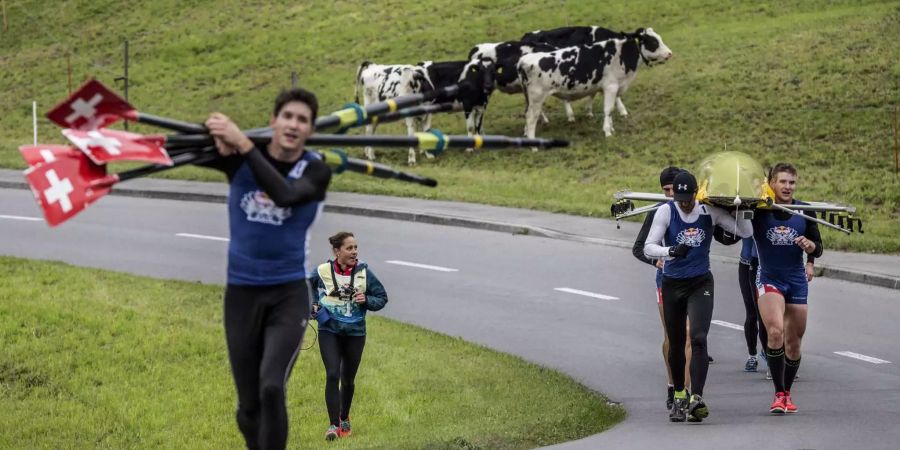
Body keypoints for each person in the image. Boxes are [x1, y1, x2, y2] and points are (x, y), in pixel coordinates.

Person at [201, 88, 332, 450]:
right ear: (273, 121)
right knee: (248, 410)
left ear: (310, 130)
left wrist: (242, 144)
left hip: (287, 295)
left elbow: (286, 195)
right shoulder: (241, 157)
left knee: (272, 387)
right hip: (241, 295)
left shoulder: (317, 170)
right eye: (287, 116)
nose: (293, 124)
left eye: (302, 120)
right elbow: (187, 148)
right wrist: (216, 135)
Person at [644, 171, 752, 423]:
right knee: (677, 340)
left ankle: (697, 397)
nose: (682, 202)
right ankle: (679, 394)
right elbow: (649, 246)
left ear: (696, 193)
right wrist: (670, 251)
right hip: (672, 283)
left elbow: (744, 232)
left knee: (699, 337)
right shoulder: (666, 212)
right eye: (678, 197)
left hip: (700, 281)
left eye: (687, 197)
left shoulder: (708, 212)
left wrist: (741, 209)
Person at [752, 163, 822, 414]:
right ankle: (778, 393)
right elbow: (731, 229)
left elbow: (818, 247)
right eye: (782, 182)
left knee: (794, 343)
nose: (787, 187)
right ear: (771, 183)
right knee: (775, 332)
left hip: (796, 279)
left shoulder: (804, 210)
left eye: (792, 182)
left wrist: (809, 247)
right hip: (769, 277)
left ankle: (787, 394)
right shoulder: (759, 209)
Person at [313, 231, 388, 440]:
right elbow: (305, 285)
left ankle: (344, 417)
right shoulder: (323, 270)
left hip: (355, 332)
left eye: (355, 247)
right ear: (337, 251)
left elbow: (382, 297)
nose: (354, 252)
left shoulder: (364, 272)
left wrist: (366, 300)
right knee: (332, 374)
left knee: (347, 380)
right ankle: (333, 426)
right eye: (349, 248)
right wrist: (312, 304)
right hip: (329, 329)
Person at [631, 166, 693, 410]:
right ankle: (672, 383)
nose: (671, 194)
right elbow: (639, 248)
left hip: (694, 279)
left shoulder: (695, 208)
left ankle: (684, 391)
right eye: (666, 189)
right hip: (666, 281)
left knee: (689, 335)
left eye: (674, 189)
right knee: (672, 336)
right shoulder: (660, 211)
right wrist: (655, 260)